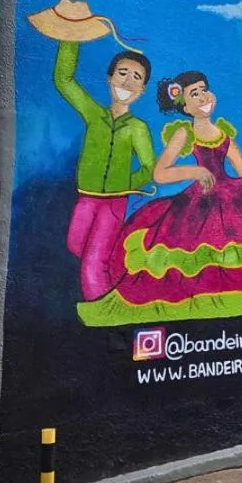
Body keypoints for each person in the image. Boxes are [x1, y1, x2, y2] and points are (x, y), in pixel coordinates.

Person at [75, 69, 242, 326]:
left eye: (204, 89)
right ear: (186, 106)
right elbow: (160, 173)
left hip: (229, 203)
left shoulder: (225, 136)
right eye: (194, 94)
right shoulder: (184, 134)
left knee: (228, 261)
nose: (202, 97)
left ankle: (228, 305)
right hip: (192, 210)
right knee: (189, 264)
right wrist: (195, 171)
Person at [53, 36, 155, 301]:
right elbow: (64, 81)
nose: (127, 81)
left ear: (142, 90)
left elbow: (148, 167)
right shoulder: (93, 114)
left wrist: (124, 183)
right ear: (109, 78)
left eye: (136, 77)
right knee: (77, 245)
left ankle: (102, 308)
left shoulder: (138, 128)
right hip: (86, 197)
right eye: (122, 73)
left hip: (114, 203)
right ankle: (121, 281)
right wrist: (69, 38)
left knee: (93, 261)